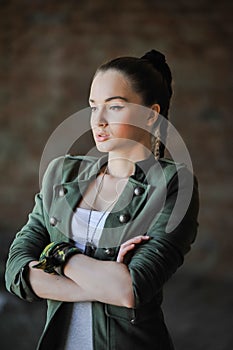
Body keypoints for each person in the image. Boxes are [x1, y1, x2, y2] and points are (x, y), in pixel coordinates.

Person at [5, 49, 199, 350]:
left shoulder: (174, 184)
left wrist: (56, 254)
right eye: (93, 107)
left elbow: (131, 289)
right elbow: (17, 272)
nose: (99, 120)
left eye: (115, 107)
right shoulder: (62, 172)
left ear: (151, 115)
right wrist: (103, 281)